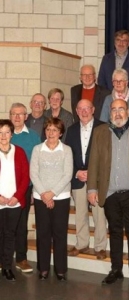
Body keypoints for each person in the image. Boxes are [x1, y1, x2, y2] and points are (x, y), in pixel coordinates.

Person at [87, 99, 129, 292]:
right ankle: (116, 269)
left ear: (128, 111)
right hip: (111, 193)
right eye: (114, 109)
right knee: (114, 232)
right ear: (109, 113)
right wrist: (91, 189)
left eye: (121, 109)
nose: (117, 113)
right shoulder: (100, 132)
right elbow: (94, 160)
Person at [30, 117, 73, 281]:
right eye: (48, 129)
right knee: (43, 234)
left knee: (60, 234)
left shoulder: (66, 150)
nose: (51, 133)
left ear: (61, 133)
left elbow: (67, 174)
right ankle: (43, 269)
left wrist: (52, 193)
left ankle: (61, 270)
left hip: (61, 197)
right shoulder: (37, 149)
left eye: (55, 130)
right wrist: (44, 194)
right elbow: (33, 173)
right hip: (40, 197)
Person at [65, 100, 107, 260]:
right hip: (78, 179)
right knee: (80, 212)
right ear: (76, 111)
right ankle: (82, 243)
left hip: (96, 179)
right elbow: (68, 156)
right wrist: (76, 173)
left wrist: (94, 173)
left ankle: (100, 246)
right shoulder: (71, 129)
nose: (84, 112)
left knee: (99, 212)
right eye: (80, 109)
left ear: (93, 109)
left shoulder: (103, 127)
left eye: (87, 108)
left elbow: (106, 155)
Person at [9, 103, 41, 273]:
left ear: (26, 116)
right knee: (4, 224)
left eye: (20, 114)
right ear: (10, 115)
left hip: (24, 187)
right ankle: (3, 258)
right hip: (4, 188)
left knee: (21, 224)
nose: (17, 117)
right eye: (14, 114)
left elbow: (37, 164)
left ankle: (21, 258)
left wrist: (34, 188)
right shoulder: (4, 134)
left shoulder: (34, 137)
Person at [0, 119, 30, 281]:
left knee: (10, 234)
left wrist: (17, 197)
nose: (3, 135)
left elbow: (26, 177)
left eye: (6, 132)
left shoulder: (19, 152)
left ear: (12, 134)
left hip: (14, 202)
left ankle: (7, 267)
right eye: (0, 132)